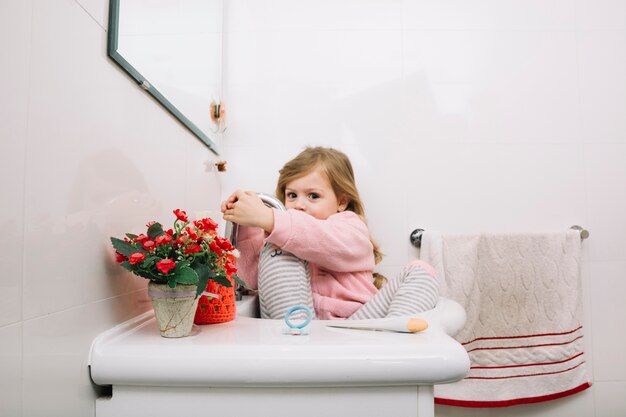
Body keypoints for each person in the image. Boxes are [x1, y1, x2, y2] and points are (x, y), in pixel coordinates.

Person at [221, 146, 439, 320]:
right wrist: (248, 225)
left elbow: (321, 240)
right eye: (292, 195)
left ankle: (396, 342)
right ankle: (298, 341)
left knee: (421, 270)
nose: (299, 205)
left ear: (342, 202)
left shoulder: (351, 227)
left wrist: (269, 218)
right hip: (298, 327)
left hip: (358, 326)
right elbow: (250, 281)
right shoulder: (280, 235)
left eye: (313, 196)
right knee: (278, 248)